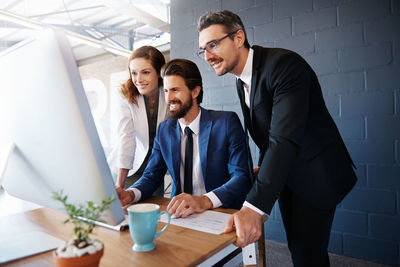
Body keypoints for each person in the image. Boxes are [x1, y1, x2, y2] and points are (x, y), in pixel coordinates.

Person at [197, 10, 357, 267]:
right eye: (203, 49)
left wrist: (253, 207)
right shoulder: (241, 81)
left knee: (308, 254)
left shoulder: (283, 65)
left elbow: (283, 139)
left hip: (317, 174)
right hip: (288, 175)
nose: (207, 56)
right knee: (300, 248)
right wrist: (263, 167)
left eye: (213, 45)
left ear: (238, 38)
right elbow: (269, 135)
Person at [116, 58, 252, 216]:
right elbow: (152, 176)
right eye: (166, 91)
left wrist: (204, 200)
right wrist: (131, 194)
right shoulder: (165, 130)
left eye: (175, 90)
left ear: (195, 91)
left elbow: (242, 177)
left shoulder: (226, 123)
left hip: (218, 211)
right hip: (180, 213)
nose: (169, 98)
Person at [112, 46, 168, 195]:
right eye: (134, 73)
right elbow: (126, 137)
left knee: (154, 213)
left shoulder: (168, 92)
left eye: (146, 72)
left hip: (156, 170)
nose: (138, 80)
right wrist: (119, 184)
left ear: (159, 72)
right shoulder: (126, 94)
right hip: (129, 168)